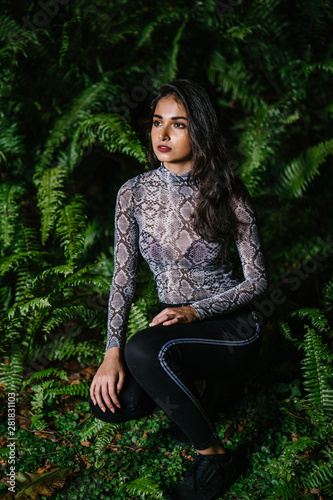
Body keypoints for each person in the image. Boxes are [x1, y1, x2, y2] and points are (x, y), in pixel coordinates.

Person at [88, 79, 268, 500]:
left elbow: (257, 279)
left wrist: (195, 312)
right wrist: (110, 352)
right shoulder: (132, 193)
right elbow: (123, 278)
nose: (162, 135)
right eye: (156, 122)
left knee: (146, 349)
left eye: (178, 124)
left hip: (230, 326)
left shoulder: (227, 192)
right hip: (172, 326)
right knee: (113, 402)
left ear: (200, 131)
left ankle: (217, 457)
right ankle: (202, 389)